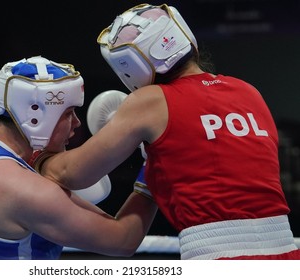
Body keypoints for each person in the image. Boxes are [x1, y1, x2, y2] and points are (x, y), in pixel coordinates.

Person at [35, 3, 300, 259]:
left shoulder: (150, 101)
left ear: (130, 64)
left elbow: (72, 174)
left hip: (219, 258)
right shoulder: (248, 91)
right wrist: (156, 161)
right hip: (287, 254)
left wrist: (33, 157)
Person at [0, 55, 158, 260]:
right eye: (68, 113)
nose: (77, 123)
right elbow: (124, 239)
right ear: (35, 116)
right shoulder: (24, 191)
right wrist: (155, 165)